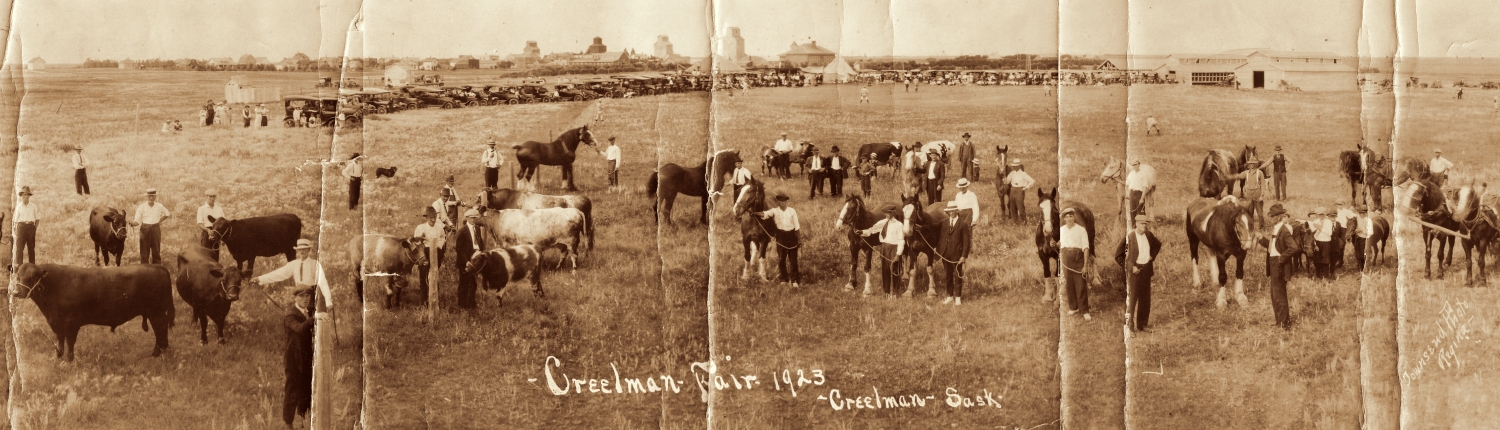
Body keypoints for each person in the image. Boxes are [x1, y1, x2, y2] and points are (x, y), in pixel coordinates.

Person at [1115, 214, 1162, 333]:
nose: (1144, 226)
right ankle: (1129, 326)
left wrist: (1152, 256)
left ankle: (1142, 325)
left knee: (1145, 299)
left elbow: (1158, 245)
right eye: (1142, 224)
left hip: (1146, 270)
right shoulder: (1129, 237)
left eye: (1146, 224)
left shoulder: (1148, 235)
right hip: (1134, 273)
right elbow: (1118, 256)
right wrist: (1131, 267)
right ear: (1136, 224)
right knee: (1132, 299)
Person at [1260, 204, 1294, 329]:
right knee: (1274, 294)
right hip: (1273, 263)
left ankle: (1284, 324)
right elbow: (1272, 247)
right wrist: (1261, 239)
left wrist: (1281, 258)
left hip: (1279, 264)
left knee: (1279, 295)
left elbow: (1293, 247)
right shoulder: (1276, 228)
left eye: (1273, 216)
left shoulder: (1284, 230)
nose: (1271, 218)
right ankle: (1279, 321)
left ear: (1279, 217)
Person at [756, 192, 801, 288]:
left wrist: (799, 239)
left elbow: (797, 226)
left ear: (787, 202)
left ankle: (794, 280)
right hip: (781, 236)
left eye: (784, 201)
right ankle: (784, 279)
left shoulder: (792, 211)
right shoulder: (774, 211)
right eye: (780, 201)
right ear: (778, 202)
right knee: (781, 259)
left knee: (793, 260)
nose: (782, 203)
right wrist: (755, 213)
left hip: (792, 235)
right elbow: (765, 214)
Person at [860, 204, 905, 297]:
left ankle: (895, 293)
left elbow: (901, 240)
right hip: (884, 247)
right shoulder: (883, 222)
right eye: (885, 214)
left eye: (888, 213)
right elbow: (871, 230)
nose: (887, 215)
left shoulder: (899, 225)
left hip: (894, 247)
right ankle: (887, 292)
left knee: (894, 269)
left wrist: (898, 254)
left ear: (893, 213)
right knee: (885, 270)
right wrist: (861, 232)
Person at [937, 201, 973, 305]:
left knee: (958, 275)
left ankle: (958, 297)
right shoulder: (944, 222)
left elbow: (967, 242)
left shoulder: (963, 224)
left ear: (956, 211)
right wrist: (920, 227)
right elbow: (933, 226)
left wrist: (963, 256)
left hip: (957, 255)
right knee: (947, 275)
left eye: (953, 211)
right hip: (945, 254)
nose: (951, 213)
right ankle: (950, 296)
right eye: (949, 211)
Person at [1059, 207, 1091, 320]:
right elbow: (1060, 245)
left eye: (1071, 216)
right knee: (1069, 284)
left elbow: (1086, 248)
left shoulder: (1081, 230)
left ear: (1074, 217)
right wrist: (1054, 244)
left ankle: (1084, 310)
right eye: (1066, 217)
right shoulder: (1061, 230)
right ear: (1064, 219)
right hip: (1066, 259)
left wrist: (1085, 265)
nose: (1069, 219)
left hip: (1079, 259)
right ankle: (1073, 307)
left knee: (1080, 285)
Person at [412, 206, 447, 305]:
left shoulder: (439, 227)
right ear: (426, 217)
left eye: (434, 217)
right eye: (431, 217)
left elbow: (442, 238)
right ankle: (424, 301)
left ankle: (434, 299)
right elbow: (417, 242)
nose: (433, 219)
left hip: (436, 253)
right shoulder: (421, 228)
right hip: (424, 253)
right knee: (424, 277)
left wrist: (438, 247)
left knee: (434, 275)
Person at [130, 189, 170, 264]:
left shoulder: (159, 206)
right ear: (147, 197)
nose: (151, 198)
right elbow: (137, 221)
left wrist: (159, 221)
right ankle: (145, 270)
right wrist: (132, 223)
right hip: (145, 230)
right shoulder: (142, 207)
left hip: (155, 229)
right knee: (144, 251)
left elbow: (167, 213)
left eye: (153, 196)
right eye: (149, 196)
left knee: (156, 250)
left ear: (155, 197)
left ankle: (156, 269)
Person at [455, 209, 485, 309]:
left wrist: (483, 254)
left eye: (475, 218)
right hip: (465, 260)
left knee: (473, 283)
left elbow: (480, 242)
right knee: (464, 283)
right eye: (471, 218)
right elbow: (459, 249)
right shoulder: (462, 231)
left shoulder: (477, 228)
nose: (473, 220)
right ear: (467, 218)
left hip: (475, 258)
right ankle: (462, 305)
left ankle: (471, 303)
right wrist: (466, 261)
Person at [13, 186, 39, 265]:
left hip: (31, 227)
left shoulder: (33, 206)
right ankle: (19, 269)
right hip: (21, 227)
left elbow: (37, 219)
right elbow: (15, 220)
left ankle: (32, 268)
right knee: (19, 249)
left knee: (31, 248)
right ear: (21, 196)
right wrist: (16, 230)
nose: (26, 196)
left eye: (27, 195)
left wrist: (34, 228)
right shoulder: (19, 207)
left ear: (29, 196)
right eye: (24, 195)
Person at [197, 189, 226, 259]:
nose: (212, 198)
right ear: (206, 196)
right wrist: (207, 230)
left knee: (215, 256)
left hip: (216, 233)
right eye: (210, 196)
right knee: (206, 256)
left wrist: (223, 239)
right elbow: (200, 223)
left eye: (214, 196)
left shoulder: (219, 209)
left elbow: (223, 223)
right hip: (206, 234)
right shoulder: (202, 209)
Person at [1310, 207, 1335, 281]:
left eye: (1322, 215)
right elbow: (1312, 235)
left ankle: (1326, 276)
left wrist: (1320, 228)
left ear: (1325, 215)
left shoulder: (1328, 222)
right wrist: (1315, 244)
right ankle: (1318, 275)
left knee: (1325, 259)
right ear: (1317, 215)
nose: (1321, 216)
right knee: (1317, 259)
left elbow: (1329, 234)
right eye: (1319, 215)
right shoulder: (1314, 222)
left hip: (1326, 242)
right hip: (1317, 242)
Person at [1242, 158, 1266, 228]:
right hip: (1249, 196)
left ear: (1256, 164)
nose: (1252, 165)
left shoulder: (1260, 173)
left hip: (1257, 195)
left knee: (1260, 213)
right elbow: (1245, 183)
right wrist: (1245, 191)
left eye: (1253, 163)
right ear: (1249, 164)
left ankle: (1261, 227)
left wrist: (1262, 195)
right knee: (1249, 212)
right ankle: (1250, 227)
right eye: (1250, 163)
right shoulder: (1246, 173)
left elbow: (1263, 185)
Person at [1333, 200, 1356, 272]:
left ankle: (1340, 262)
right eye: (1338, 204)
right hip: (1336, 229)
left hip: (1343, 229)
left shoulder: (1347, 211)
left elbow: (1354, 217)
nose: (1339, 206)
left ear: (1343, 204)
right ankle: (1335, 261)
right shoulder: (1335, 211)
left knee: (1341, 246)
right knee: (1334, 245)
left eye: (1341, 204)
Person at [1352, 204, 1372, 271]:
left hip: (1364, 239)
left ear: (1366, 213)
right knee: (1358, 252)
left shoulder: (1368, 220)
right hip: (1358, 238)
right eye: (1360, 213)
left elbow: (1370, 232)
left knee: (1364, 253)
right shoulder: (1358, 218)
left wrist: (1362, 231)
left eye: (1363, 213)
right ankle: (1360, 267)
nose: (1361, 215)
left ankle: (1365, 268)